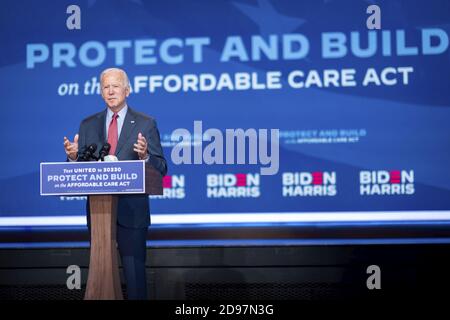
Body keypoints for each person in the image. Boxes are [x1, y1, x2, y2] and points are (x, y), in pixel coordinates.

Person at [63, 67, 167, 300]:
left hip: (132, 213)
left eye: (116, 86)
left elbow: (161, 167)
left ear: (127, 90)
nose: (111, 91)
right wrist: (72, 157)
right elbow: (82, 168)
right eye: (106, 87)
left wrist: (145, 156)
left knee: (135, 280)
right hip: (100, 215)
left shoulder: (145, 123)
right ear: (101, 92)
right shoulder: (88, 124)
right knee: (101, 278)